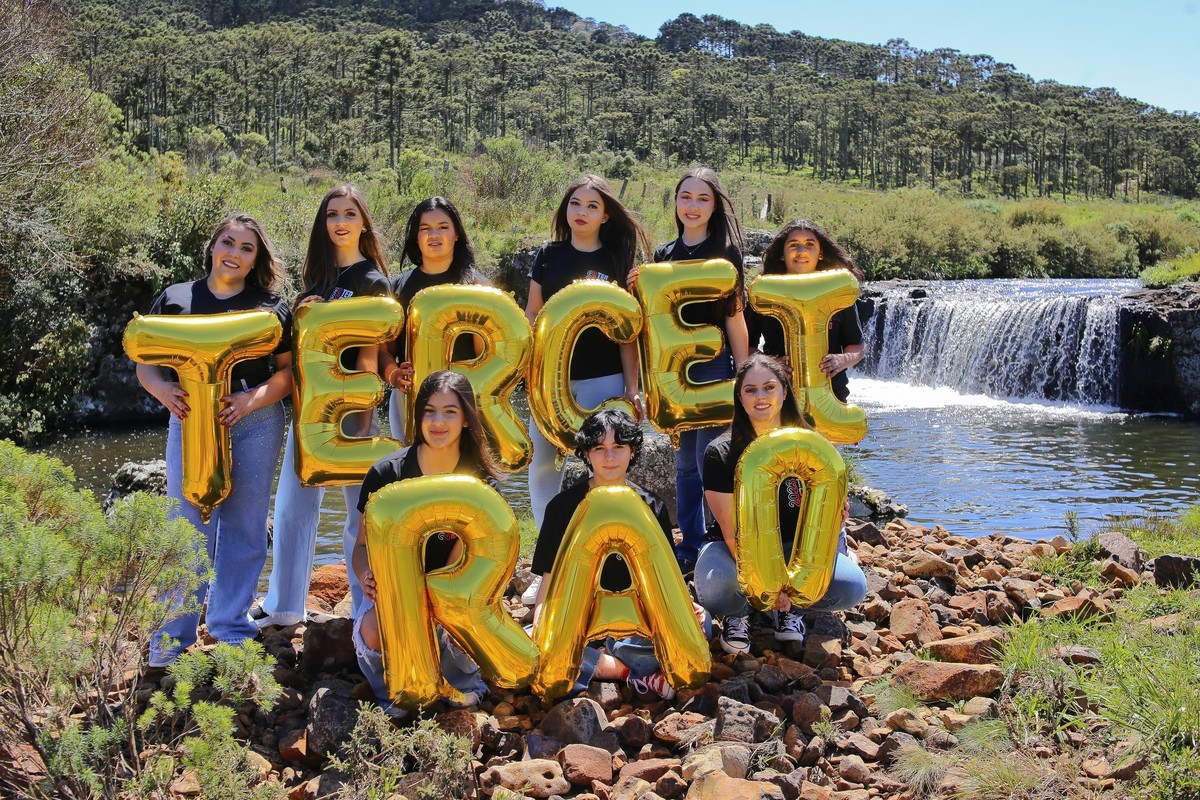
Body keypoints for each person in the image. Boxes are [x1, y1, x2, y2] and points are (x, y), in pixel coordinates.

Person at [136, 213, 291, 667]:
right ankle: (171, 638)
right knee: (186, 525)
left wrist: (249, 401)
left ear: (256, 259)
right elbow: (146, 363)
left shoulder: (269, 308)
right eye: (228, 242)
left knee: (246, 525)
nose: (234, 253)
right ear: (212, 246)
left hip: (254, 417)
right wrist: (163, 391)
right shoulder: (176, 298)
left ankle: (231, 628)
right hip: (190, 418)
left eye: (246, 248)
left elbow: (288, 374)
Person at [254, 185, 390, 628]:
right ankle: (283, 606)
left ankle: (364, 609)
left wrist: (365, 418)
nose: (340, 222)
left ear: (363, 223)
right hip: (310, 411)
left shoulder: (373, 281)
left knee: (359, 516)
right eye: (332, 215)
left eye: (349, 213)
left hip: (350, 411)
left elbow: (369, 355)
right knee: (292, 508)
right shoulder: (317, 279)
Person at [529, 409, 709, 700]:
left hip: (636, 620)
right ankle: (629, 671)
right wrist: (541, 628)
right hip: (579, 617)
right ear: (587, 454)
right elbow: (548, 584)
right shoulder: (562, 507)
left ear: (632, 451)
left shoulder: (651, 506)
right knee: (533, 646)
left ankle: (601, 662)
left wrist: (688, 608)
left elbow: (667, 580)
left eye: (618, 447)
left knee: (704, 625)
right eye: (599, 448)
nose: (609, 457)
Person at [694, 353, 867, 655]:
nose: (760, 396)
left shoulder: (809, 443)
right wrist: (769, 584)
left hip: (795, 549)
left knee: (851, 587)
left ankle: (792, 608)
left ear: (785, 392)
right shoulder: (720, 452)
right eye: (750, 390)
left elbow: (824, 512)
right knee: (716, 585)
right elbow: (732, 532)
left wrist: (834, 519)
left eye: (769, 387)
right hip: (736, 552)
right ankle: (739, 613)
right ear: (740, 398)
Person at [351, 371, 500, 714]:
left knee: (454, 626)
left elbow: (473, 568)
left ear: (466, 419)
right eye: (429, 411)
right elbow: (360, 546)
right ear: (418, 416)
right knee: (374, 629)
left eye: (450, 412)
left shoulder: (480, 483)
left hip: (452, 600)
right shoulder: (386, 474)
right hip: (396, 599)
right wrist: (365, 576)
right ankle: (395, 695)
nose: (438, 422)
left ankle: (463, 684)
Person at [524, 174, 650, 527]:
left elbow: (628, 332)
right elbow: (532, 313)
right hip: (548, 383)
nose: (582, 212)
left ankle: (600, 536)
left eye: (592, 206)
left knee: (604, 462)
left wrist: (632, 388)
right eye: (575, 204)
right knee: (542, 465)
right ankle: (547, 546)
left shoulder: (617, 260)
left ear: (605, 216)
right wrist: (526, 371)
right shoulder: (548, 255)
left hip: (603, 379)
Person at [646, 167, 749, 575]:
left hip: (712, 369)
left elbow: (734, 319)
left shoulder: (726, 254)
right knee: (684, 463)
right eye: (685, 197)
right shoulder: (663, 255)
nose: (693, 205)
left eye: (703, 198)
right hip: (672, 371)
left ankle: (719, 540)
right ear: (675, 202)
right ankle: (690, 543)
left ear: (715, 206)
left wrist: (743, 374)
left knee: (712, 458)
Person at [380, 196, 489, 439]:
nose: (434, 235)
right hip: (410, 399)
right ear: (416, 236)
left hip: (467, 399)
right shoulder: (398, 288)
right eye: (425, 228)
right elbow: (385, 351)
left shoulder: (478, 288)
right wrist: (394, 375)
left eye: (443, 227)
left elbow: (488, 357)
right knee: (411, 461)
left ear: (456, 234)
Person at [747, 219, 865, 403]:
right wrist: (768, 364)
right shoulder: (763, 294)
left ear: (820, 253)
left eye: (809, 244)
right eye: (793, 245)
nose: (801, 251)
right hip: (776, 398)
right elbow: (745, 347)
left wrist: (842, 360)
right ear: (782, 254)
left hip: (831, 399)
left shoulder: (837, 293)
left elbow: (857, 346)